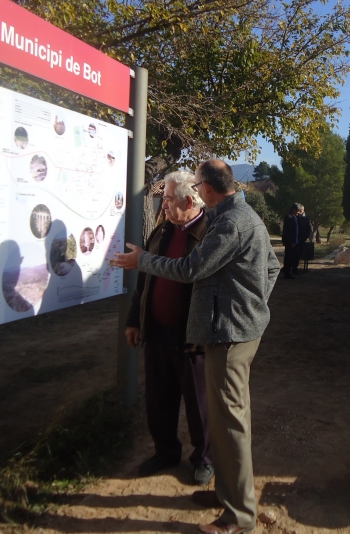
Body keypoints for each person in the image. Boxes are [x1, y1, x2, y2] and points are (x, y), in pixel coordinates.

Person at [114, 159, 280, 534]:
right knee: (225, 425)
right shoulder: (241, 216)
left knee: (229, 425)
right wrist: (254, 304)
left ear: (204, 189)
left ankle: (238, 517)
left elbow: (190, 269)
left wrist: (142, 260)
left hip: (227, 337)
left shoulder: (230, 223)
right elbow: (272, 268)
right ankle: (230, 495)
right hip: (233, 332)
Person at [124, 171, 213, 484]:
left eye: (168, 199)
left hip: (193, 337)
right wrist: (135, 320)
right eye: (163, 198)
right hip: (158, 331)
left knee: (200, 403)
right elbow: (144, 281)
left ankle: (204, 458)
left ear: (189, 201)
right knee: (158, 399)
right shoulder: (161, 232)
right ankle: (165, 451)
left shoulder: (209, 233)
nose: (163, 205)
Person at [281, 203, 301, 279]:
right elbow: (288, 231)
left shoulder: (294, 217)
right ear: (294, 210)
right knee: (289, 257)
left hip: (295, 241)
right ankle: (287, 272)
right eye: (297, 211)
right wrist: (291, 241)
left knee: (293, 256)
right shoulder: (289, 217)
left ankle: (287, 270)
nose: (298, 212)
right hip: (290, 241)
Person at [293, 205, 312, 275]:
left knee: (298, 255)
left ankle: (295, 268)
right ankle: (292, 268)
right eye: (299, 210)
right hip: (295, 239)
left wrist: (305, 236)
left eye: (301, 210)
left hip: (301, 239)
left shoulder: (306, 218)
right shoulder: (295, 217)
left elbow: (308, 229)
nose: (300, 212)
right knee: (293, 255)